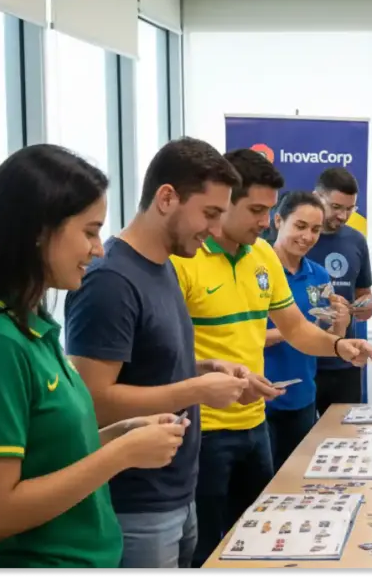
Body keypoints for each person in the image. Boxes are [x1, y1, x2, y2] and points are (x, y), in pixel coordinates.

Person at [0, 145, 187, 569]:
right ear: (39, 230)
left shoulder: (35, 325)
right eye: (89, 232)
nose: (99, 250)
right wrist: (122, 455)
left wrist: (121, 435)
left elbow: (50, 454)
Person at [173, 149, 372, 568]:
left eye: (269, 210)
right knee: (211, 547)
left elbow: (297, 329)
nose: (265, 222)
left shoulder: (262, 257)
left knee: (260, 540)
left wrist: (340, 345)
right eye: (256, 210)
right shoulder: (183, 260)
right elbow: (166, 355)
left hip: (255, 425)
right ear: (224, 201)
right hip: (203, 431)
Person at [63, 138, 257, 569]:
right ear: (167, 198)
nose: (216, 230)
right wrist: (197, 387)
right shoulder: (110, 280)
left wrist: (206, 368)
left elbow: (148, 363)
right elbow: (93, 403)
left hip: (177, 491)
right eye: (209, 214)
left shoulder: (164, 263)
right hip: (136, 503)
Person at [263, 190, 350, 471]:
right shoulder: (257, 269)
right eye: (300, 226)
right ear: (278, 220)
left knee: (299, 480)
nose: (308, 236)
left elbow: (333, 337)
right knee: (262, 489)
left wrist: (341, 318)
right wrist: (294, 330)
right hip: (261, 401)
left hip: (303, 396)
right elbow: (243, 337)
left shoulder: (319, 275)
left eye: (315, 229)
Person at [306, 167, 372, 416]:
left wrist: (365, 306)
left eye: (350, 209)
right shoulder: (298, 239)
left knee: (346, 440)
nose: (343, 215)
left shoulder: (356, 240)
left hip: (344, 360)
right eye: (336, 207)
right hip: (303, 362)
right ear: (316, 197)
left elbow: (364, 293)